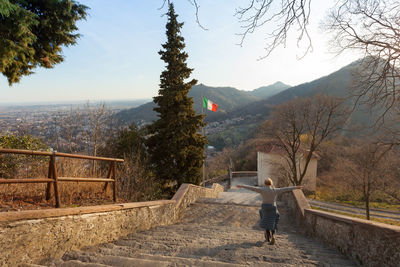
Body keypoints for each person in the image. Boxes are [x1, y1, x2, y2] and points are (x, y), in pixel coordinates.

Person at [237, 178, 302, 245]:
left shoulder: (262, 189)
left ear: (265, 183)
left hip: (265, 207)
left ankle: (268, 237)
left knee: (266, 221)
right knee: (273, 221)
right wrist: (296, 187)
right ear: (271, 183)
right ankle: (273, 235)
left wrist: (242, 186)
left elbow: (252, 188)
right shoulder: (275, 190)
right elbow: (286, 189)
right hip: (272, 208)